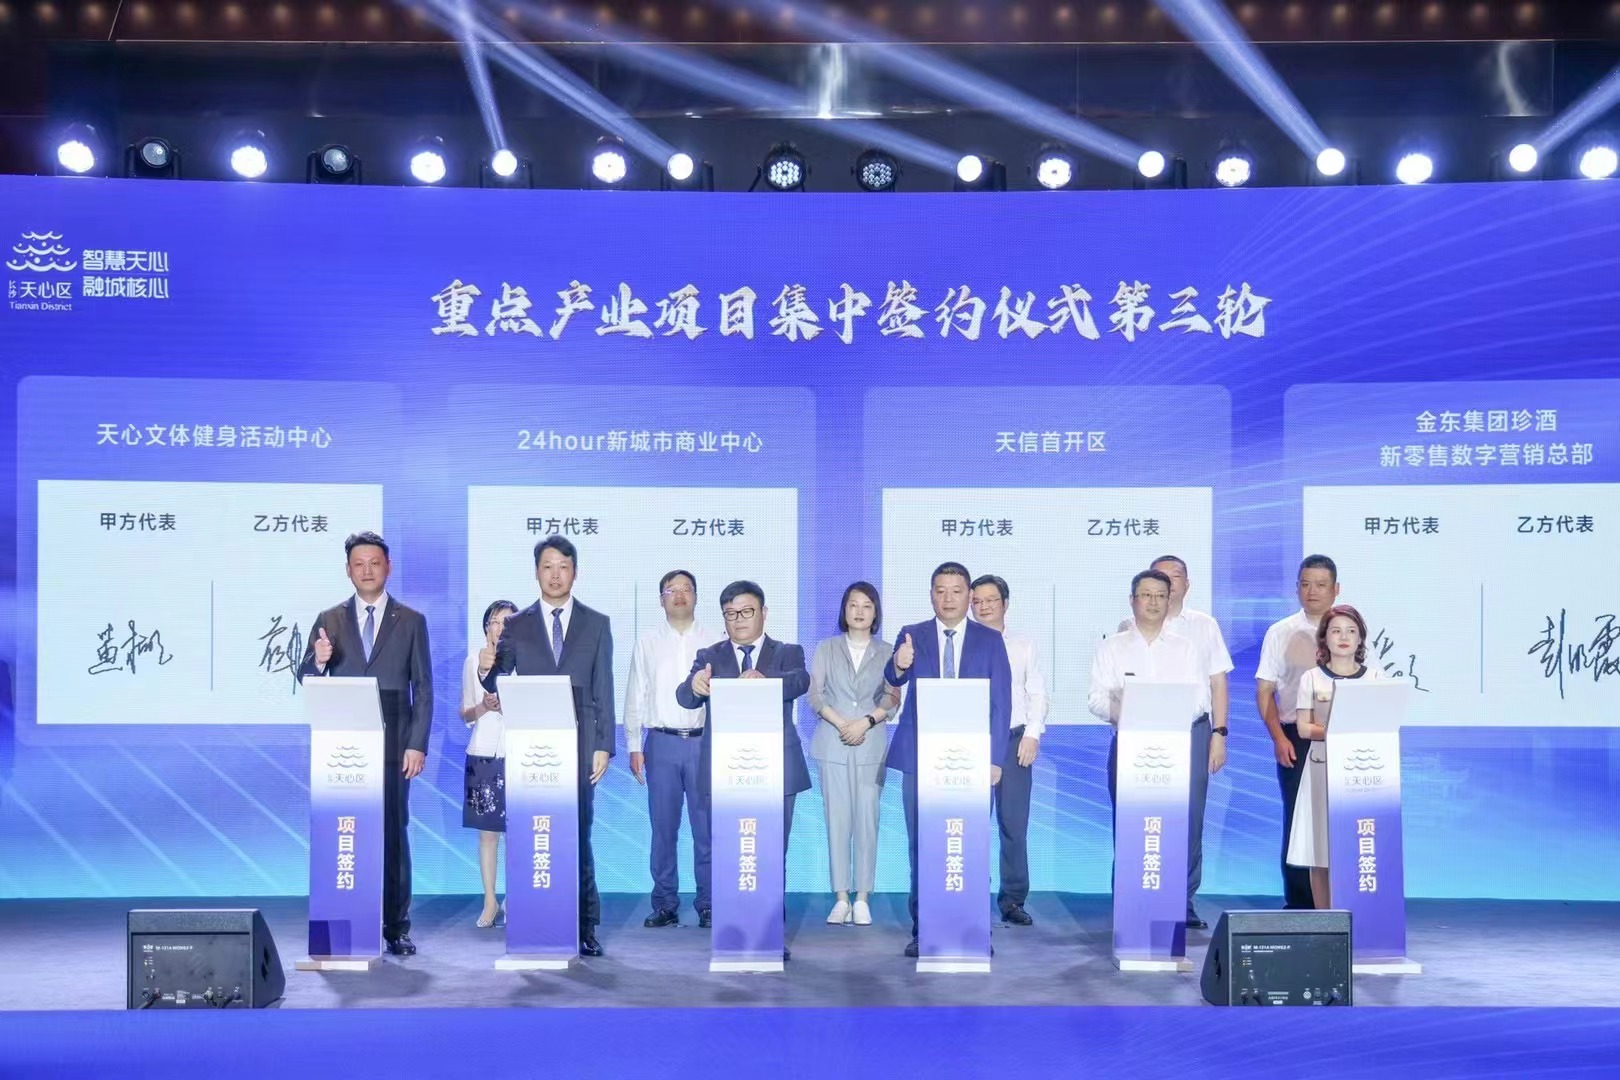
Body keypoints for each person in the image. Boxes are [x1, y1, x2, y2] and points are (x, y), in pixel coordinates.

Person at [297, 531, 434, 957]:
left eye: (375, 563)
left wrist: (417, 744)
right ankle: (346, 921)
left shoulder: (411, 620)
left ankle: (396, 926)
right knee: (345, 832)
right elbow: (306, 676)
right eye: (359, 564)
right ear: (348, 570)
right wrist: (318, 660)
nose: (367, 570)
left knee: (393, 833)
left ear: (388, 567)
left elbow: (423, 689)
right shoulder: (329, 619)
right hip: (343, 748)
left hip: (394, 744)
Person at [479, 535, 615, 957]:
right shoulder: (517, 624)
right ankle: (534, 917)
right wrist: (486, 670)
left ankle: (585, 925)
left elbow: (604, 687)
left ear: (575, 572)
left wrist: (604, 745)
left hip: (580, 743)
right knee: (533, 833)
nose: (555, 575)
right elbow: (498, 679)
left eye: (563, 567)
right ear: (536, 572)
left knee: (578, 834)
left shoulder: (596, 622)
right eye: (547, 567)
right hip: (532, 746)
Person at [677, 580, 811, 961]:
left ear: (764, 613)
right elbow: (685, 696)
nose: (738, 619)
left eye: (747, 611)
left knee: (770, 854)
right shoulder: (710, 655)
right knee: (730, 854)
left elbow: (800, 680)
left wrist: (765, 682)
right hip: (727, 772)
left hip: (776, 771)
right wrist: (696, 685)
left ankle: (769, 935)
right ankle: (732, 934)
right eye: (730, 614)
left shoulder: (786, 652)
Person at [884, 562, 1012, 959]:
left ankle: (973, 928)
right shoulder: (913, 634)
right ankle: (924, 929)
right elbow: (893, 678)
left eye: (956, 591)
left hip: (971, 760)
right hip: (921, 757)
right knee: (922, 845)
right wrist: (899, 663)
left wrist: (995, 759)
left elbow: (1001, 702)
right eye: (940, 591)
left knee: (969, 844)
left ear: (968, 595)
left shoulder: (989, 640)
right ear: (931, 595)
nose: (948, 598)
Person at [1117, 555, 1233, 930]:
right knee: (1139, 816)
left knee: (1189, 816)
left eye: (1174, 577)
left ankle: (1183, 899)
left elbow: (1217, 683)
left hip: (1192, 730)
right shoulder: (1128, 628)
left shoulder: (1204, 626)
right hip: (1142, 735)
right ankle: (1133, 896)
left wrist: (1219, 734)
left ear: (1184, 585)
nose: (1166, 584)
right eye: (1158, 578)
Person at [1090, 569, 1210, 917]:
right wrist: (1130, 713)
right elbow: (1096, 699)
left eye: (1160, 595)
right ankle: (1128, 907)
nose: (1154, 602)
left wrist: (1164, 714)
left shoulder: (1185, 648)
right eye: (1146, 595)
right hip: (1128, 747)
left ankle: (1174, 905)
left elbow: (1201, 700)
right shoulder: (1112, 647)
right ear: (1132, 600)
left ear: (1169, 600)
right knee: (1130, 828)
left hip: (1174, 750)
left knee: (1172, 828)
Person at [623, 570, 714, 929]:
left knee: (706, 829)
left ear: (696, 596)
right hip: (661, 743)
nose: (679, 595)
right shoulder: (647, 641)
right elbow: (636, 693)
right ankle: (664, 902)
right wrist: (634, 744)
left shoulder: (715, 640)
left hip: (704, 743)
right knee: (663, 829)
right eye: (671, 590)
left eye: (686, 589)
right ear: (660, 599)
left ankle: (709, 902)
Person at [808, 582, 900, 928]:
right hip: (833, 743)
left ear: (876, 613)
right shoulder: (826, 648)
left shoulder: (888, 652)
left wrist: (865, 722)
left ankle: (862, 897)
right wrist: (843, 724)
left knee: (867, 822)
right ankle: (841, 898)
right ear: (844, 610)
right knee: (837, 822)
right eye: (853, 605)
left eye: (867, 605)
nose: (859, 611)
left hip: (871, 744)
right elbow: (815, 695)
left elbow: (892, 698)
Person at [1256, 554, 1342, 910]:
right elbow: (1265, 691)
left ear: (1336, 589)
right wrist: (1278, 737)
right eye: (1305, 584)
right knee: (1298, 820)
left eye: (1321, 585)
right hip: (1296, 737)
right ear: (1296, 589)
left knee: (1340, 818)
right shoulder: (1281, 631)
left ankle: (1341, 898)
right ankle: (1299, 903)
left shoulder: (1349, 629)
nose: (1312, 591)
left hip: (1344, 739)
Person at [1288, 604, 1383, 909]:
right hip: (1321, 768)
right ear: (1324, 638)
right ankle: (1324, 917)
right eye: (1336, 631)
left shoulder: (1375, 678)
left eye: (1351, 631)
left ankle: (1362, 912)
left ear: (1361, 639)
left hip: (1363, 772)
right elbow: (1303, 728)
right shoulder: (1312, 678)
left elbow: (1382, 724)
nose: (1344, 637)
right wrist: (1337, 730)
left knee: (1358, 843)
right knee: (1320, 849)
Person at [968, 574, 1048, 928]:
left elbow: (1037, 692)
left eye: (990, 600)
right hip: (971, 743)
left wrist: (1032, 734)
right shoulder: (963, 644)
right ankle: (967, 894)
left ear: (1005, 604)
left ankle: (1013, 899)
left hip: (1015, 742)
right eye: (977, 601)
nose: (983, 606)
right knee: (968, 823)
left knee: (1014, 824)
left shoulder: (1023, 644)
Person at [462, 599, 517, 929]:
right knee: (488, 835)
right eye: (496, 622)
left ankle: (515, 897)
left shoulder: (524, 661)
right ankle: (489, 900)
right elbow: (465, 713)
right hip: (483, 754)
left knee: (519, 833)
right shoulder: (473, 661)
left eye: (508, 622)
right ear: (486, 628)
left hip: (519, 754)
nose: (501, 628)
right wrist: (484, 706)